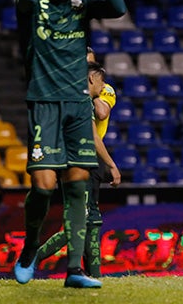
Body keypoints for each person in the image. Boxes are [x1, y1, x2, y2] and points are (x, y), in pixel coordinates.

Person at [12, 0, 126, 289]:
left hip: (78, 106)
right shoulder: (30, 1)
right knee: (44, 187)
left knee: (77, 184)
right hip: (44, 104)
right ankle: (30, 249)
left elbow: (119, 8)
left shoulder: (81, 0)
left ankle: (75, 270)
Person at [35, 59, 122, 279]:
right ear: (91, 78)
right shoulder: (80, 100)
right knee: (79, 221)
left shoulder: (80, 95)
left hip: (85, 163)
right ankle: (30, 258)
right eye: (100, 82)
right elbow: (92, 136)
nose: (103, 87)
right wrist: (112, 165)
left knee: (91, 218)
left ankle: (95, 275)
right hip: (78, 163)